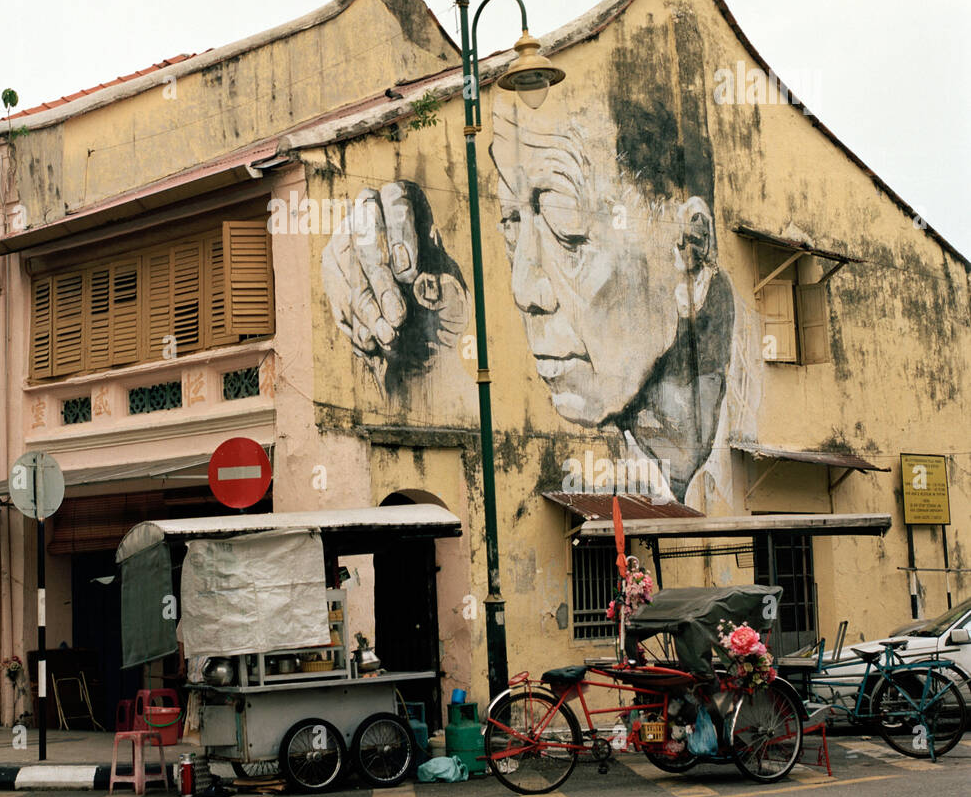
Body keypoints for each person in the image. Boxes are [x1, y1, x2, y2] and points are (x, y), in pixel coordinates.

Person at [321, 30, 760, 509]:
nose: (523, 288)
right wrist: (414, 365)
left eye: (566, 229)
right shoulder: (609, 440)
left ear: (688, 250)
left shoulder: (753, 436)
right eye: (510, 225)